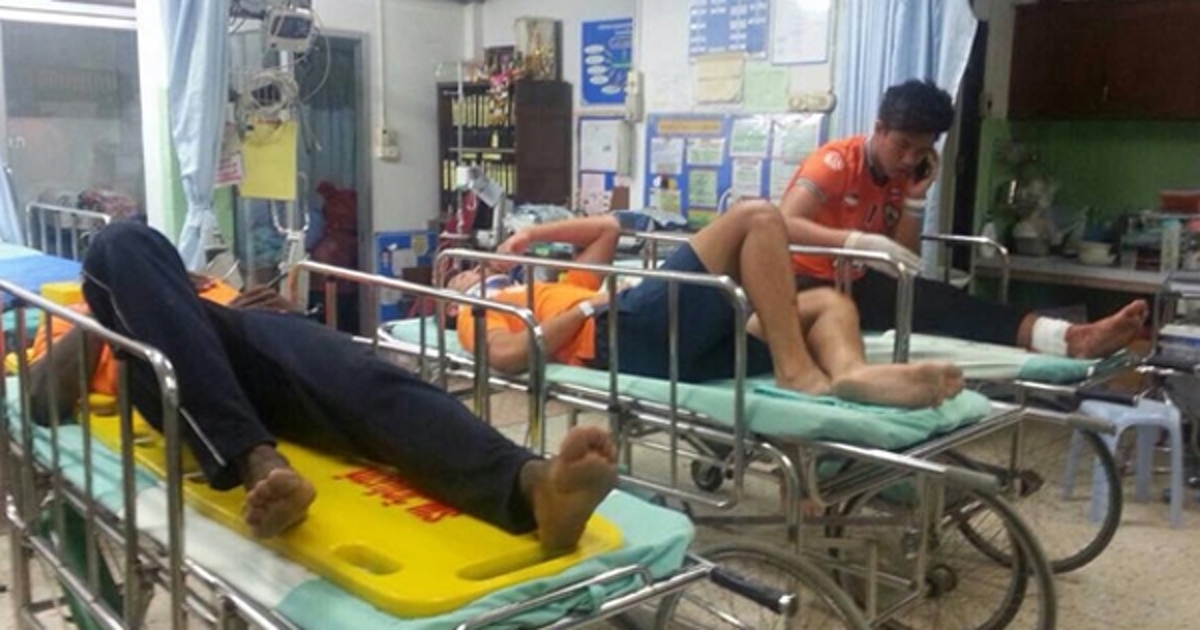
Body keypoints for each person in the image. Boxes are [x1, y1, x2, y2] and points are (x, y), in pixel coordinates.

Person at [29, 221, 617, 551]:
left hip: (258, 341)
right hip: (171, 378)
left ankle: (534, 488)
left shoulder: (212, 290)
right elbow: (40, 401)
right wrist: (116, 314)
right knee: (120, 241)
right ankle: (257, 461)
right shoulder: (91, 312)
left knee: (374, 384)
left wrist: (237, 306)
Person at [450, 202, 964, 410]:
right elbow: (509, 357)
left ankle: (851, 372)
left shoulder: (549, 284)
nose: (472, 269)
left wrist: (530, 236)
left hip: (681, 346)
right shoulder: (477, 311)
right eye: (463, 271)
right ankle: (795, 370)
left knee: (827, 302)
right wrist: (588, 310)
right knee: (757, 218)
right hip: (621, 335)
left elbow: (606, 228)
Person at [779, 79, 1146, 358]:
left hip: (854, 284)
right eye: (902, 145)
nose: (909, 159)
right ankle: (1067, 338)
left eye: (921, 150)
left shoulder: (901, 178)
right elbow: (783, 222)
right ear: (879, 129)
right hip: (803, 285)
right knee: (933, 304)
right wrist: (854, 242)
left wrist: (914, 200)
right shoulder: (835, 163)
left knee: (945, 300)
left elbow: (901, 260)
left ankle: (1068, 337)